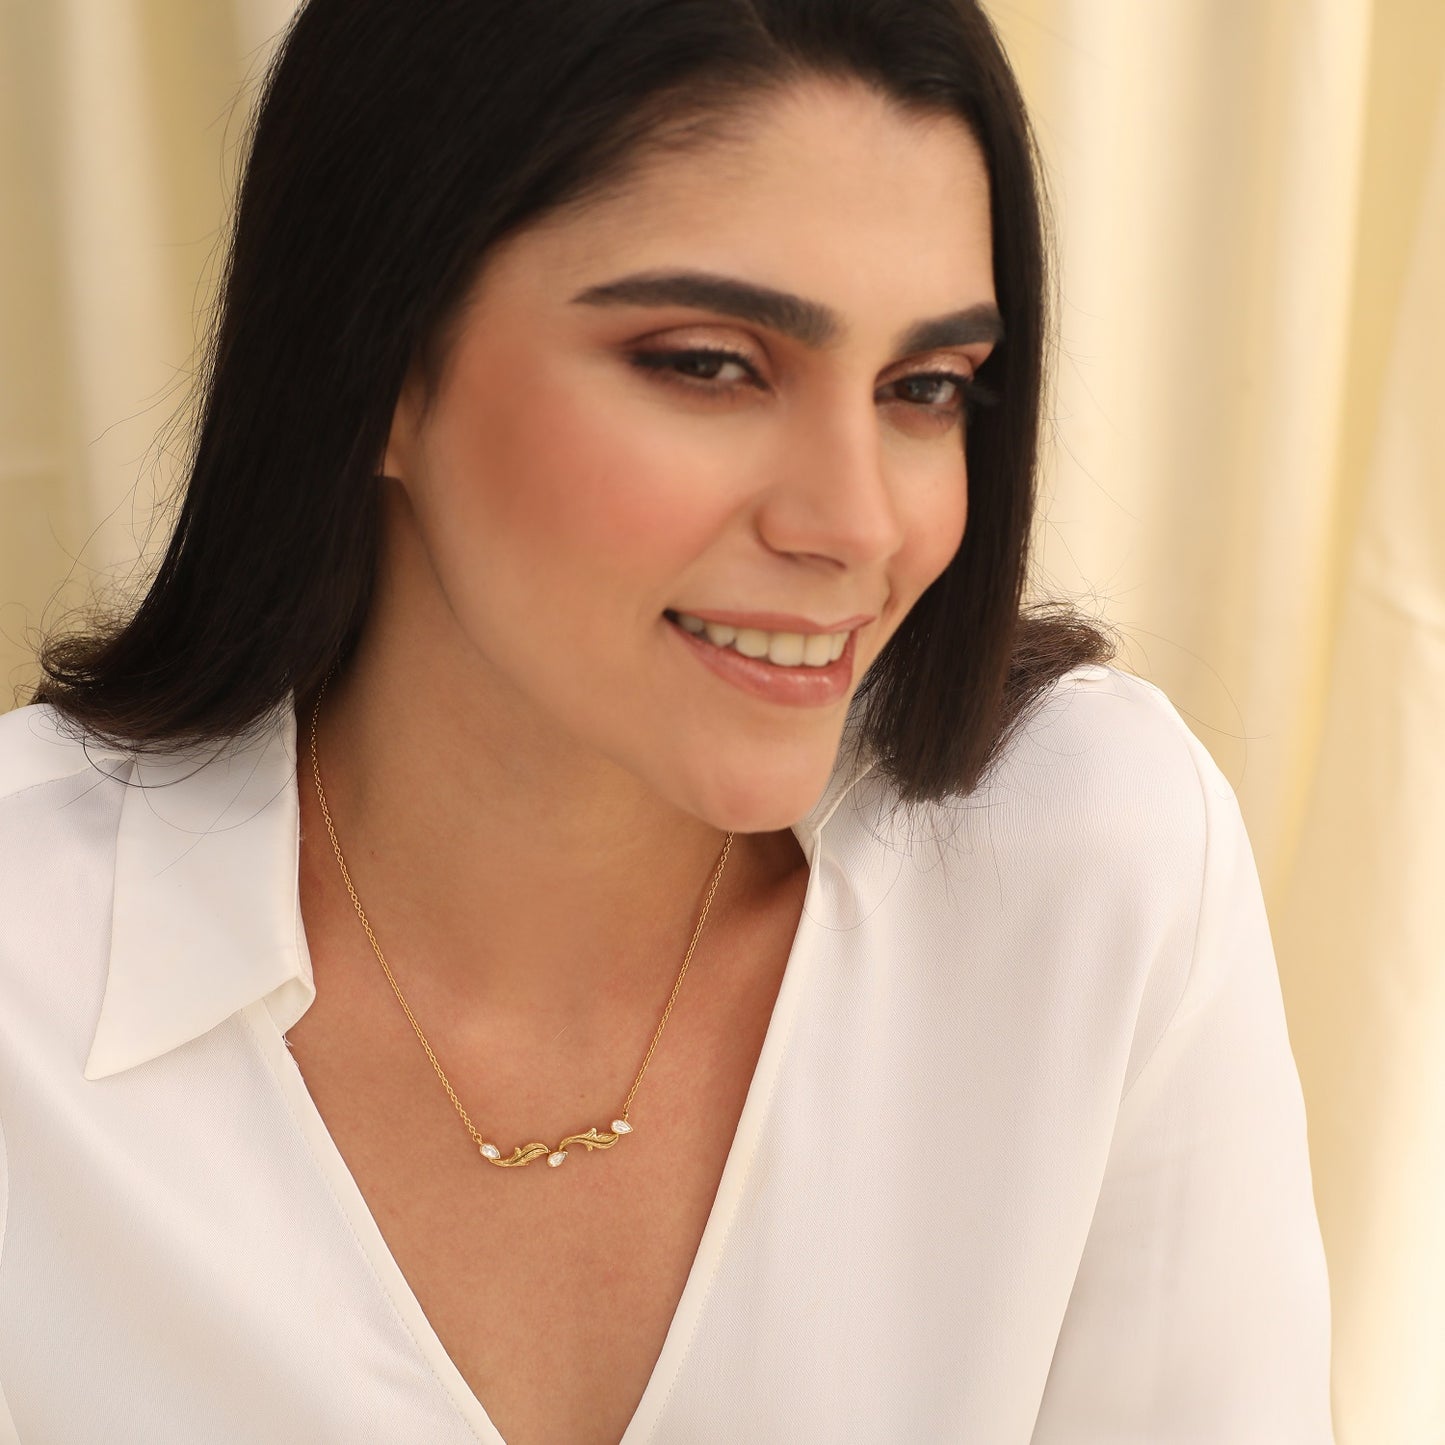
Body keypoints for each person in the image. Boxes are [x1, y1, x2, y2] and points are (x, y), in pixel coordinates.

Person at [0, 2, 1335, 1441]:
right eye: (709, 363)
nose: (855, 523)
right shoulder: (29, 972)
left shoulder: (1089, 869)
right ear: (372, 364)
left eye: (925, 388)